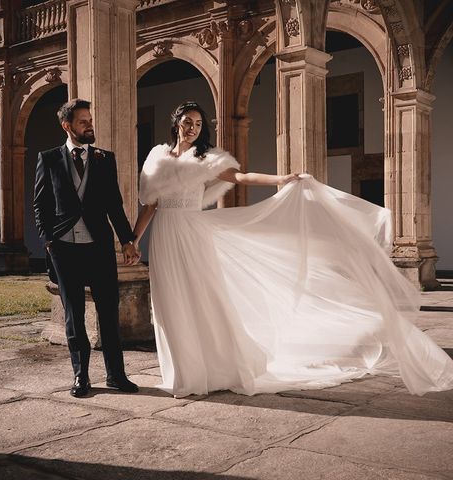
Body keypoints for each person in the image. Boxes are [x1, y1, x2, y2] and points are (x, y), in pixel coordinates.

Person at [131, 100, 453, 398]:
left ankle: (212, 370)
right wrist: (132, 240)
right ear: (176, 124)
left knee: (201, 300)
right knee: (169, 304)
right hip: (164, 238)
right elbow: (150, 207)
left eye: (199, 124)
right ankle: (182, 374)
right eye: (188, 122)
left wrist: (280, 179)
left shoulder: (207, 160)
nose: (193, 128)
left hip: (192, 234)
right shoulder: (156, 160)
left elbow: (241, 176)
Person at [34, 98, 140, 397]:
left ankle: (116, 376)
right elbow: (40, 204)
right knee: (74, 316)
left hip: (99, 248)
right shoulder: (49, 158)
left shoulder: (105, 159)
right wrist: (49, 240)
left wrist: (127, 240)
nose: (90, 124)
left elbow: (114, 205)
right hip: (64, 250)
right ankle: (81, 377)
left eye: (90, 120)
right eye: (83, 121)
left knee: (109, 313)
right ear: (67, 126)